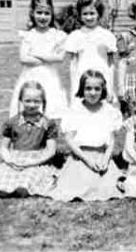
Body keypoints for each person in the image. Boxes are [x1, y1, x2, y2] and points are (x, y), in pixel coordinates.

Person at [0, 81, 58, 197]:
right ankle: (5, 189)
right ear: (21, 100)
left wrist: (32, 162)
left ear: (42, 102)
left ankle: (23, 188)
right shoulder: (12, 122)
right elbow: (4, 147)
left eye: (36, 101)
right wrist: (10, 160)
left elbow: (51, 151)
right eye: (28, 101)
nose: (32, 105)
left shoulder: (48, 123)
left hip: (36, 160)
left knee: (28, 178)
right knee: (4, 176)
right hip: (16, 158)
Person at [49, 70, 123, 201]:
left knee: (106, 184)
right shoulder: (75, 110)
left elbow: (111, 140)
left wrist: (106, 159)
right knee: (80, 183)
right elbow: (69, 139)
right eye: (88, 88)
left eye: (97, 89)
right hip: (81, 157)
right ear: (82, 89)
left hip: (101, 156)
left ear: (103, 90)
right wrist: (87, 160)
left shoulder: (109, 111)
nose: (93, 93)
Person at [9, 0, 67, 119]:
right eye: (39, 12)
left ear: (51, 15)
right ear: (32, 13)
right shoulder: (29, 35)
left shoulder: (56, 35)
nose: (42, 17)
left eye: (46, 13)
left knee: (49, 108)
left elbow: (60, 57)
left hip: (49, 76)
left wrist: (36, 54)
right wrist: (48, 59)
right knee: (30, 103)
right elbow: (24, 59)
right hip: (31, 75)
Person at [64, 0, 117, 103]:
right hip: (82, 78)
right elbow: (73, 65)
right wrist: (74, 89)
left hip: (102, 77)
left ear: (99, 14)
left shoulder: (107, 36)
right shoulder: (75, 36)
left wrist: (110, 87)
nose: (89, 17)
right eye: (85, 14)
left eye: (92, 13)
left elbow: (111, 64)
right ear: (79, 15)